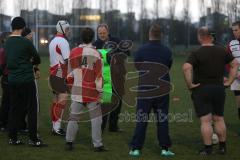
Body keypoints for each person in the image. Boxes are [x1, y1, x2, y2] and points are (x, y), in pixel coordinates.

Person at [182, 26, 238, 155]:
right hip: (219, 89)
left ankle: (208, 149)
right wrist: (229, 81)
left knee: (206, 121)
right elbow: (235, 64)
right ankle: (223, 147)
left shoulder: (196, 53)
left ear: (200, 37)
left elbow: (186, 67)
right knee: (219, 118)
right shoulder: (222, 51)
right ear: (211, 37)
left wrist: (190, 84)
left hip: (202, 90)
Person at [129, 24, 175, 157]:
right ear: (161, 35)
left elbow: (137, 66)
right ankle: (165, 148)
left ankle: (136, 148)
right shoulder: (167, 51)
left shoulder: (141, 50)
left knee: (142, 119)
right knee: (162, 119)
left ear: (149, 34)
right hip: (162, 89)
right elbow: (168, 66)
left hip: (145, 89)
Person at [65, 27, 107, 152]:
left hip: (77, 90)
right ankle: (97, 145)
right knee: (96, 119)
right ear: (93, 38)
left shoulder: (73, 52)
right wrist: (100, 92)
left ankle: (69, 142)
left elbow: (69, 74)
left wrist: (70, 87)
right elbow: (99, 76)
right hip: (92, 92)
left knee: (73, 118)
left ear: (81, 38)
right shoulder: (96, 54)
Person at [5, 17, 44, 146]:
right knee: (32, 109)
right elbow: (37, 57)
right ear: (22, 28)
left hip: (12, 80)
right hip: (26, 79)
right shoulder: (25, 42)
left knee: (14, 109)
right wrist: (31, 61)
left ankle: (13, 138)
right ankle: (33, 139)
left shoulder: (7, 42)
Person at [93, 23, 128, 132]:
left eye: (104, 33)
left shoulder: (117, 41)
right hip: (104, 78)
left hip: (118, 76)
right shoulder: (96, 44)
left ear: (108, 32)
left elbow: (127, 52)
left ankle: (113, 126)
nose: (102, 35)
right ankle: (101, 126)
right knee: (105, 102)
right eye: (100, 33)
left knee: (117, 101)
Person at [48, 20, 70, 136]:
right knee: (62, 100)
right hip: (60, 74)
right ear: (62, 30)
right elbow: (68, 60)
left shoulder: (53, 41)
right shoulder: (63, 42)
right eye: (67, 29)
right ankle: (57, 128)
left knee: (56, 100)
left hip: (53, 74)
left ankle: (54, 126)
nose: (69, 31)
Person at [227, 21, 240, 132]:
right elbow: (228, 62)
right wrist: (234, 73)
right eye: (233, 30)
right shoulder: (231, 44)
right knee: (239, 105)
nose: (234, 32)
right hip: (237, 79)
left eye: (236, 30)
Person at [0, 31, 11, 131]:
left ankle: (8, 122)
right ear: (4, 40)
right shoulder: (3, 51)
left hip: (13, 78)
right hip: (7, 78)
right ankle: (3, 123)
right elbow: (1, 66)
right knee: (6, 101)